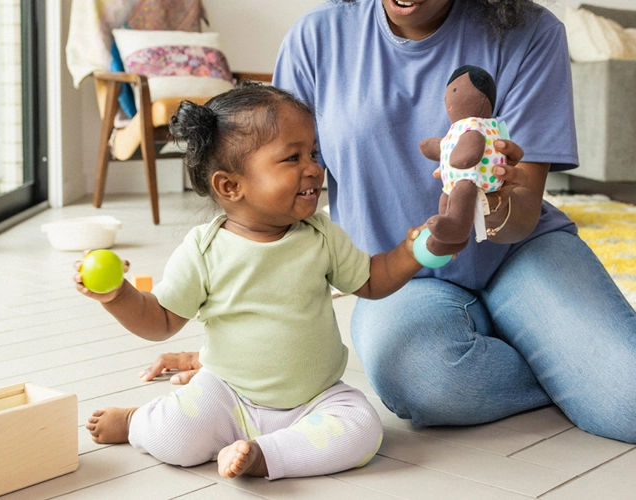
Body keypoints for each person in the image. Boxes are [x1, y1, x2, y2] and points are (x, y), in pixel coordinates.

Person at [140, 0, 636, 444]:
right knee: (424, 381)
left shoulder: (532, 31)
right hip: (397, 272)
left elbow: (521, 216)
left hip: (521, 251)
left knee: (627, 401)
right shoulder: (318, 39)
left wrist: (499, 193)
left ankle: (572, 362)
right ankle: (562, 363)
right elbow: (269, 212)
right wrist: (233, 359)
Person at [75, 83, 431, 480]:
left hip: (316, 396)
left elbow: (370, 281)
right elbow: (159, 320)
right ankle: (137, 422)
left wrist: (410, 253)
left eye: (313, 152)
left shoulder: (320, 234)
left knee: (363, 428)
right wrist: (118, 295)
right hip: (227, 394)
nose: (313, 167)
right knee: (175, 436)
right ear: (231, 186)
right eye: (292, 157)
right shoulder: (205, 249)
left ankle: (266, 454)